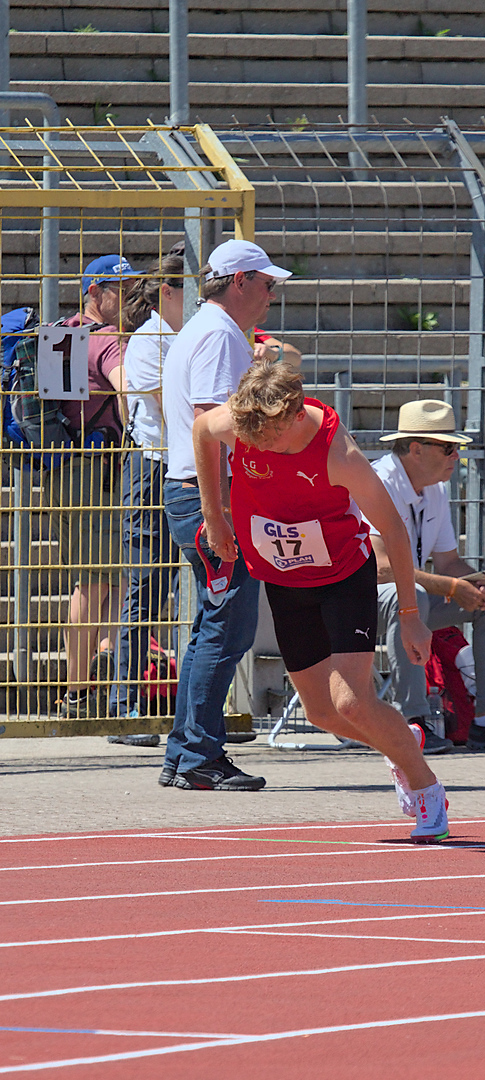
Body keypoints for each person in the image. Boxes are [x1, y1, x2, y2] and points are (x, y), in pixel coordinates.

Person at [193, 358, 449, 840]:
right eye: (255, 441)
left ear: (295, 416)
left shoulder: (339, 453)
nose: (264, 449)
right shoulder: (246, 421)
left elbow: (393, 529)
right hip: (286, 580)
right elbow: (202, 430)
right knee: (320, 714)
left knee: (351, 702)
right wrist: (216, 513)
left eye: (275, 441)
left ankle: (425, 787)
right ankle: (403, 741)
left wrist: (412, 615)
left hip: (342, 576)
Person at [159, 239, 292, 792]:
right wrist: (219, 517)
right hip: (209, 494)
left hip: (197, 493)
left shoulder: (208, 329)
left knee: (212, 628)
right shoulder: (216, 334)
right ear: (239, 281)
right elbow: (210, 429)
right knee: (224, 629)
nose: (271, 294)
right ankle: (196, 757)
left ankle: (187, 752)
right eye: (266, 283)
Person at [371, 398, 485, 754]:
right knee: (409, 597)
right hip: (356, 603)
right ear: (417, 450)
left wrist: (476, 583)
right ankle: (415, 723)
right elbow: (379, 569)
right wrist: (452, 587)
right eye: (449, 447)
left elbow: (449, 562)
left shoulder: (435, 487)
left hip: (409, 600)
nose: (457, 456)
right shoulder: (378, 482)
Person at [47, 254, 139, 720]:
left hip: (60, 468)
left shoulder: (58, 334)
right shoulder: (107, 341)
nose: (127, 298)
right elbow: (128, 392)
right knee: (99, 580)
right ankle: (77, 692)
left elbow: (52, 408)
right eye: (118, 289)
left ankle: (96, 663)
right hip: (99, 470)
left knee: (103, 576)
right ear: (94, 291)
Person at [108, 253, 184, 724]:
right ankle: (123, 703)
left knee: (188, 587)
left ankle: (200, 710)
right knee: (145, 585)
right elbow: (169, 406)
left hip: (182, 464)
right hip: (153, 466)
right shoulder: (150, 339)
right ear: (170, 292)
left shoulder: (183, 337)